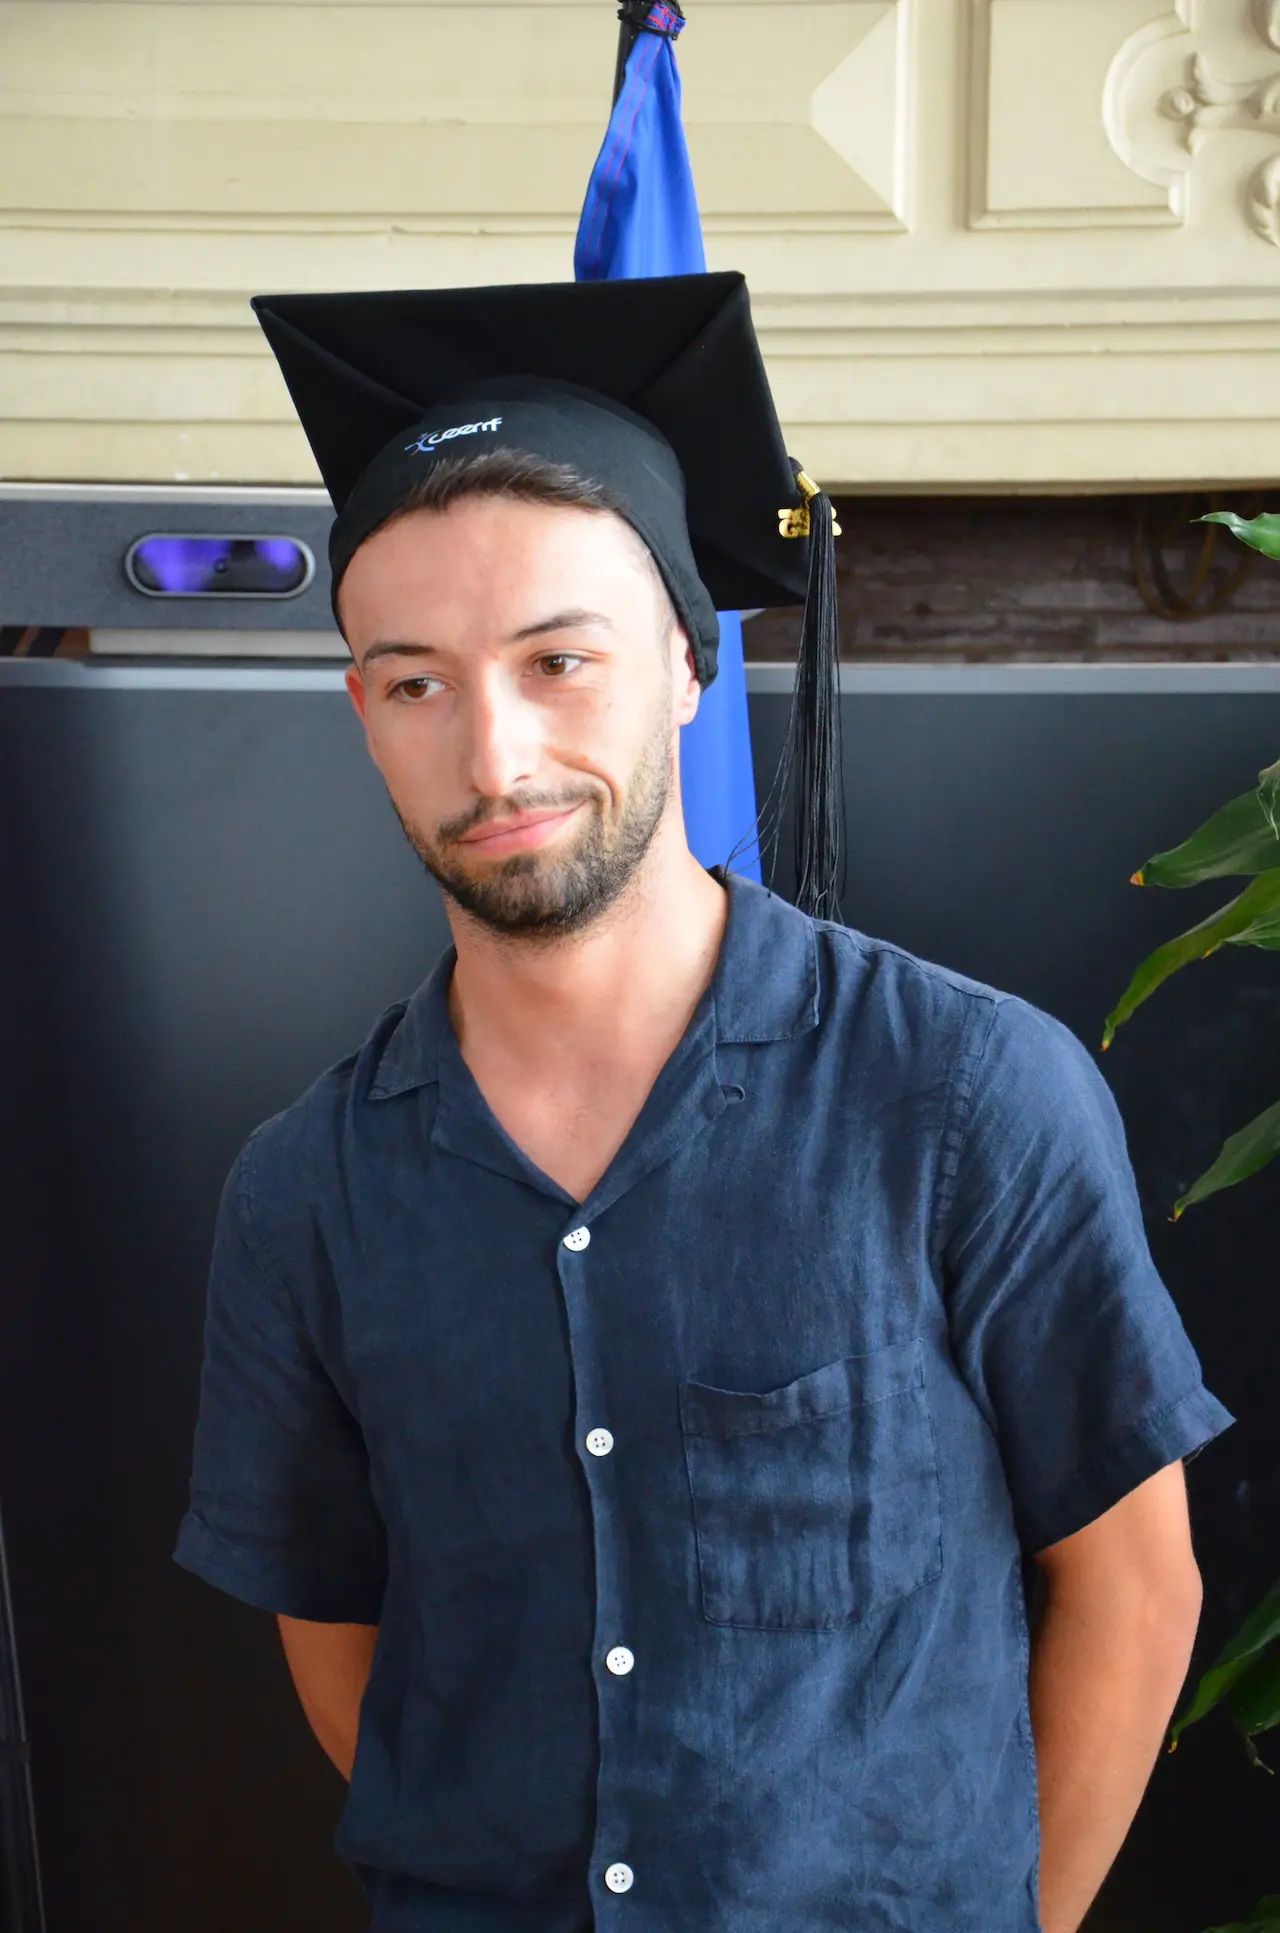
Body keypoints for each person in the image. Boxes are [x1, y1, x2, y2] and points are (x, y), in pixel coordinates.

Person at [175, 271, 1234, 1933]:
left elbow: (1134, 1586)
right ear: (362, 714)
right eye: (417, 682)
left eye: (559, 659)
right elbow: (340, 1638)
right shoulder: (307, 1188)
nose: (495, 756)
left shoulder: (965, 1095)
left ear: (688, 663)